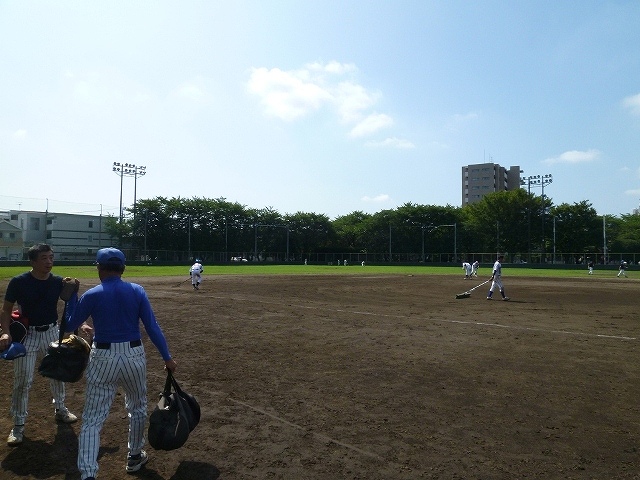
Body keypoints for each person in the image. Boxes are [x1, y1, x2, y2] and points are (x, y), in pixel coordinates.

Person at [65, 247, 177, 480]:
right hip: (134, 355)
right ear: (123, 267)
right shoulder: (137, 291)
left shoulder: (92, 294)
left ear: (99, 267)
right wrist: (167, 357)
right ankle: (134, 457)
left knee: (93, 419)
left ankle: (88, 474)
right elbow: (152, 327)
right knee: (137, 408)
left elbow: (69, 325)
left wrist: (72, 298)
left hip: (103, 356)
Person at [0, 243, 79, 446]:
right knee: (23, 379)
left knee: (58, 373)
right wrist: (6, 333)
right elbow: (6, 310)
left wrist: (82, 322)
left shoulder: (59, 282)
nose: (49, 262)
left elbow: (72, 305)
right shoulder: (19, 282)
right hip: (29, 334)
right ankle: (18, 425)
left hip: (52, 331)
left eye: (51, 257)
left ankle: (60, 409)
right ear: (33, 261)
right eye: (44, 258)